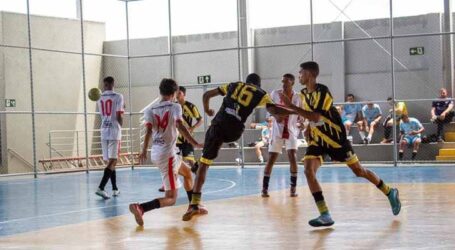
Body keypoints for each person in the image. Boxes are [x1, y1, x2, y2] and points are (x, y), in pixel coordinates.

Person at [279, 61, 401, 227]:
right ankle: (325, 214)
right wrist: (306, 127)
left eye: (301, 72)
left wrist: (291, 107)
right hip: (318, 139)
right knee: (308, 170)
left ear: (310, 74)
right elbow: (310, 118)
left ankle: (389, 191)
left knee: (359, 171)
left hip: (336, 139)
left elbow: (316, 116)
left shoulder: (323, 92)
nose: (298, 75)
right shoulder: (303, 94)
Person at [181, 73, 290, 221]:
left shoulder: (234, 85)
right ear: (258, 85)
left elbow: (207, 94)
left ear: (246, 82)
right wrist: (296, 111)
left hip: (218, 124)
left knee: (205, 163)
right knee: (209, 155)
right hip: (235, 131)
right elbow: (275, 111)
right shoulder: (261, 93)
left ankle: (194, 203)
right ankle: (201, 163)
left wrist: (207, 110)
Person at [128, 78, 206, 226]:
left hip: (158, 152)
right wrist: (194, 143)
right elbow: (180, 126)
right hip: (167, 155)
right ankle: (141, 207)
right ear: (175, 93)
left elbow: (149, 131)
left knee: (188, 173)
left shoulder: (150, 110)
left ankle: (193, 206)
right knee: (171, 198)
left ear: (160, 91)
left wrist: (144, 150)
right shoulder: (175, 107)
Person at [262, 73, 301, 198]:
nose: (283, 84)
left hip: (291, 130)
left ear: (292, 83)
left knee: (292, 156)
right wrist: (276, 116)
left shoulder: (298, 97)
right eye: (282, 81)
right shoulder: (275, 93)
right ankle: (264, 189)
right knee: (272, 158)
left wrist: (303, 123)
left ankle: (293, 189)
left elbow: (300, 114)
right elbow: (269, 108)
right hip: (277, 130)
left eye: (286, 81)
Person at [95, 76, 124, 199]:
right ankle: (101, 187)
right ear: (113, 83)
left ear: (104, 84)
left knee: (111, 161)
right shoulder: (118, 96)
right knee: (113, 161)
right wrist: (121, 125)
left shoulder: (99, 98)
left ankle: (115, 188)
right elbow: (118, 114)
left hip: (103, 130)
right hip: (113, 130)